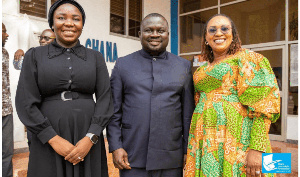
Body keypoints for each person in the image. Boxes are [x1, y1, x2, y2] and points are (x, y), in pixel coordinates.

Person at [15, 0, 113, 176]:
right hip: (47, 136)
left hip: (87, 135)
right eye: (61, 18)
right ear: (52, 23)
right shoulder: (35, 56)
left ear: (82, 25)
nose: (69, 23)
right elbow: (25, 101)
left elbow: (106, 99)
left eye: (76, 19)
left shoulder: (95, 57)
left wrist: (91, 137)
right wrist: (51, 138)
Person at [184, 14, 280, 177]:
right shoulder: (201, 69)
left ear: (233, 35)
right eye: (212, 30)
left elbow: (264, 106)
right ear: (206, 38)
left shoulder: (249, 58)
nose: (218, 33)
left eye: (224, 29)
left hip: (237, 138)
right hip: (205, 138)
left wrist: (257, 149)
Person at [107, 13, 194, 177]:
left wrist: (187, 149)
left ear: (168, 34)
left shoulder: (183, 66)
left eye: (160, 30)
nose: (155, 34)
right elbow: (113, 111)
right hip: (132, 154)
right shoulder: (123, 65)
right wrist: (116, 146)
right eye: (149, 30)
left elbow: (187, 114)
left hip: (171, 156)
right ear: (140, 34)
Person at [13, 29, 55, 148]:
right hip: (35, 109)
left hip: (53, 109)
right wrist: (20, 53)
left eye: (47, 38)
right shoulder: (33, 56)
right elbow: (17, 66)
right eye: (41, 37)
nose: (42, 40)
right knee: (34, 143)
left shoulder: (61, 58)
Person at [2, 23, 14, 177]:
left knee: (6, 153)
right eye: (4, 31)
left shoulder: (4, 53)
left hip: (5, 110)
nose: (7, 35)